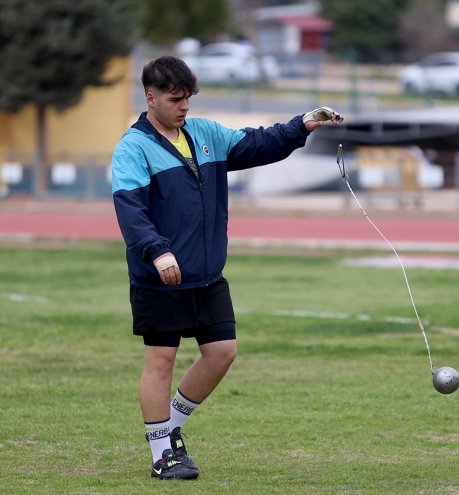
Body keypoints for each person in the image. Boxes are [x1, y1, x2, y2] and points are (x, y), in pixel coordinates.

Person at [111, 55, 342, 481]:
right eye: (176, 99)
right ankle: (162, 455)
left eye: (188, 99)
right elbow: (131, 212)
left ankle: (171, 429)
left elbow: (256, 143)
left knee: (222, 353)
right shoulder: (132, 148)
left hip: (206, 272)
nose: (184, 107)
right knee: (160, 361)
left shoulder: (204, 133)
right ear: (151, 97)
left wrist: (302, 124)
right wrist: (158, 252)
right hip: (158, 275)